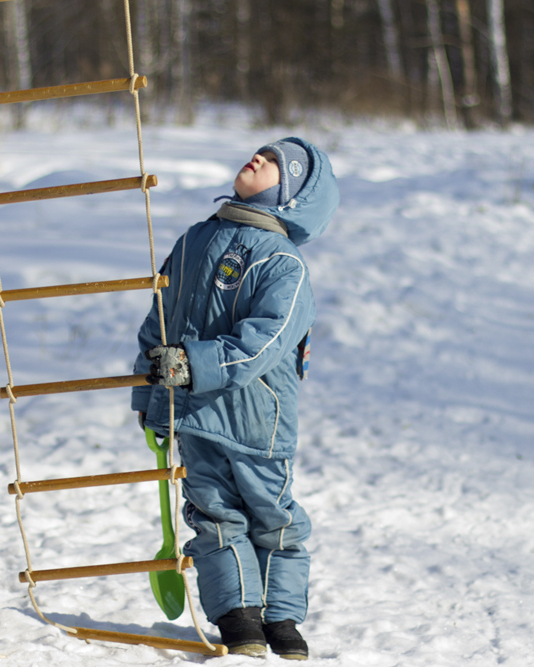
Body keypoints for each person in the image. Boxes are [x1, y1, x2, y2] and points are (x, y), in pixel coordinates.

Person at [131, 137, 339, 659]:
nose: (259, 158)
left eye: (275, 164)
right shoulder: (195, 240)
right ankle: (238, 617)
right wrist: (148, 389)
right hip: (195, 415)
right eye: (261, 152)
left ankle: (282, 618)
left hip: (256, 421)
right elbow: (161, 319)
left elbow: (264, 342)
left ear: (290, 197)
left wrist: (192, 364)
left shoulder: (283, 264)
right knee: (213, 515)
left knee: (273, 517)